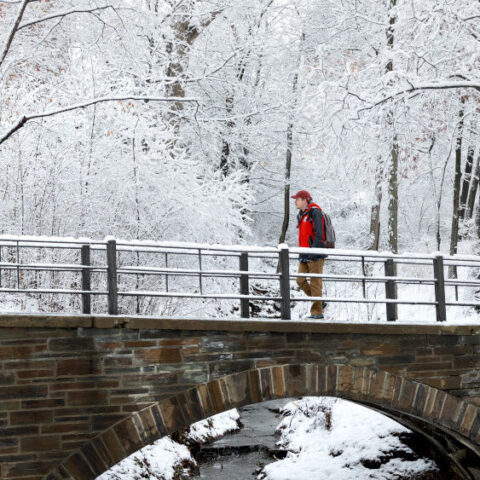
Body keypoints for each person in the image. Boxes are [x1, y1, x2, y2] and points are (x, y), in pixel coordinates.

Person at [291, 190, 327, 319]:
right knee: (300, 280)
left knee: (315, 282)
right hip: (304, 252)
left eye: (297, 199)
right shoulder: (301, 214)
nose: (295, 201)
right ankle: (320, 302)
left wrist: (314, 252)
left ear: (304, 200)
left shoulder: (315, 212)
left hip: (314, 253)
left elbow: (319, 234)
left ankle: (317, 313)